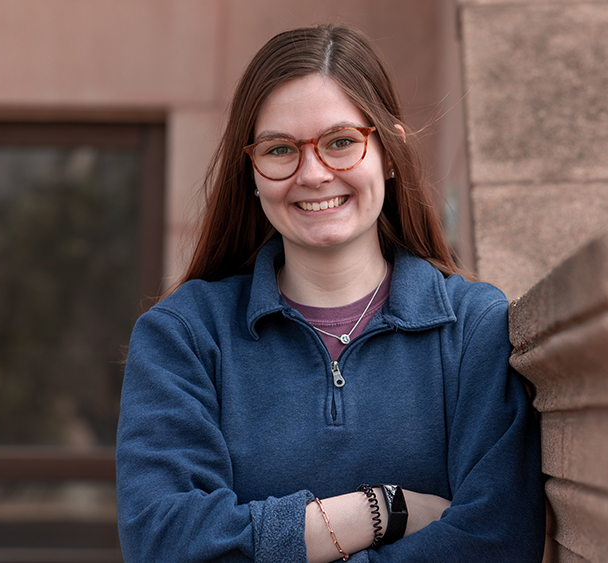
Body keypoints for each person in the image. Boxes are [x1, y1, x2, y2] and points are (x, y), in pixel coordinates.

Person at [116, 24, 544, 563]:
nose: (314, 174)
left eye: (341, 142)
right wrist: (382, 510)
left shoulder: (473, 330)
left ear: (389, 153)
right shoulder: (183, 336)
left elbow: (498, 543)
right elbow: (164, 544)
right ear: (251, 172)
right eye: (279, 150)